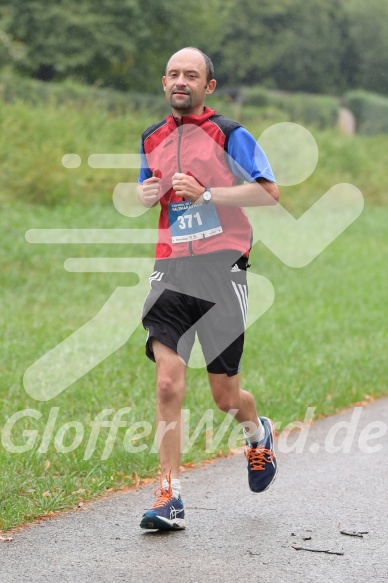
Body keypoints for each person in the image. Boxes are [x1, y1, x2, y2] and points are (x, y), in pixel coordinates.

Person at [136, 47, 280, 531]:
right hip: (171, 268)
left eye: (191, 75)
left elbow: (269, 193)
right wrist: (144, 194)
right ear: (163, 82)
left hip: (223, 268)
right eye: (174, 73)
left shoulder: (230, 134)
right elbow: (144, 191)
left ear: (208, 87)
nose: (182, 81)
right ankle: (168, 494)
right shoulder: (151, 138)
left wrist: (209, 193)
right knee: (166, 380)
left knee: (225, 396)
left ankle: (258, 434)